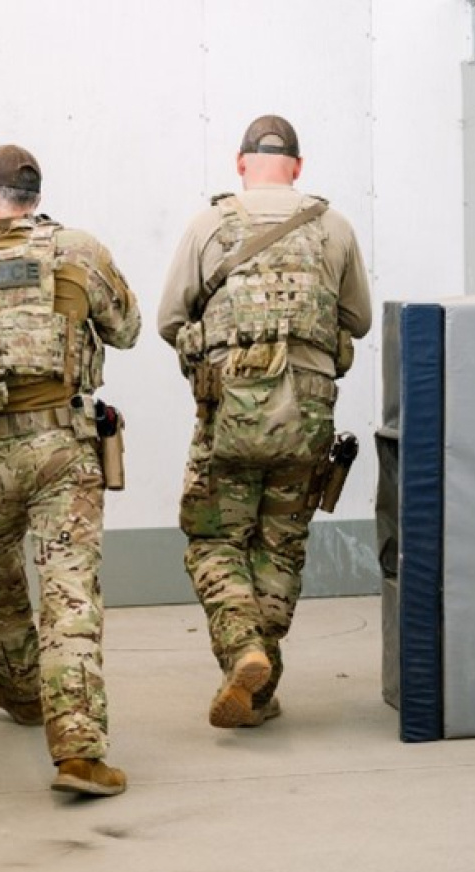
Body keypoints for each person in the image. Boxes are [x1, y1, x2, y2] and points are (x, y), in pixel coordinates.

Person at [0, 144, 140, 795]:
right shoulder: (79, 252)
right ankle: (78, 750)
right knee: (68, 592)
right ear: (35, 195)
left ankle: (18, 685)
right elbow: (126, 328)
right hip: (61, 450)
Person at [158, 115, 372, 729]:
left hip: (229, 412)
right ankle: (259, 686)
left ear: (240, 161)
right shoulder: (334, 227)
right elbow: (356, 320)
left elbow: (171, 319)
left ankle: (243, 649)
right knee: (281, 543)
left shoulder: (209, 224)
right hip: (306, 413)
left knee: (215, 540)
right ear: (298, 166)